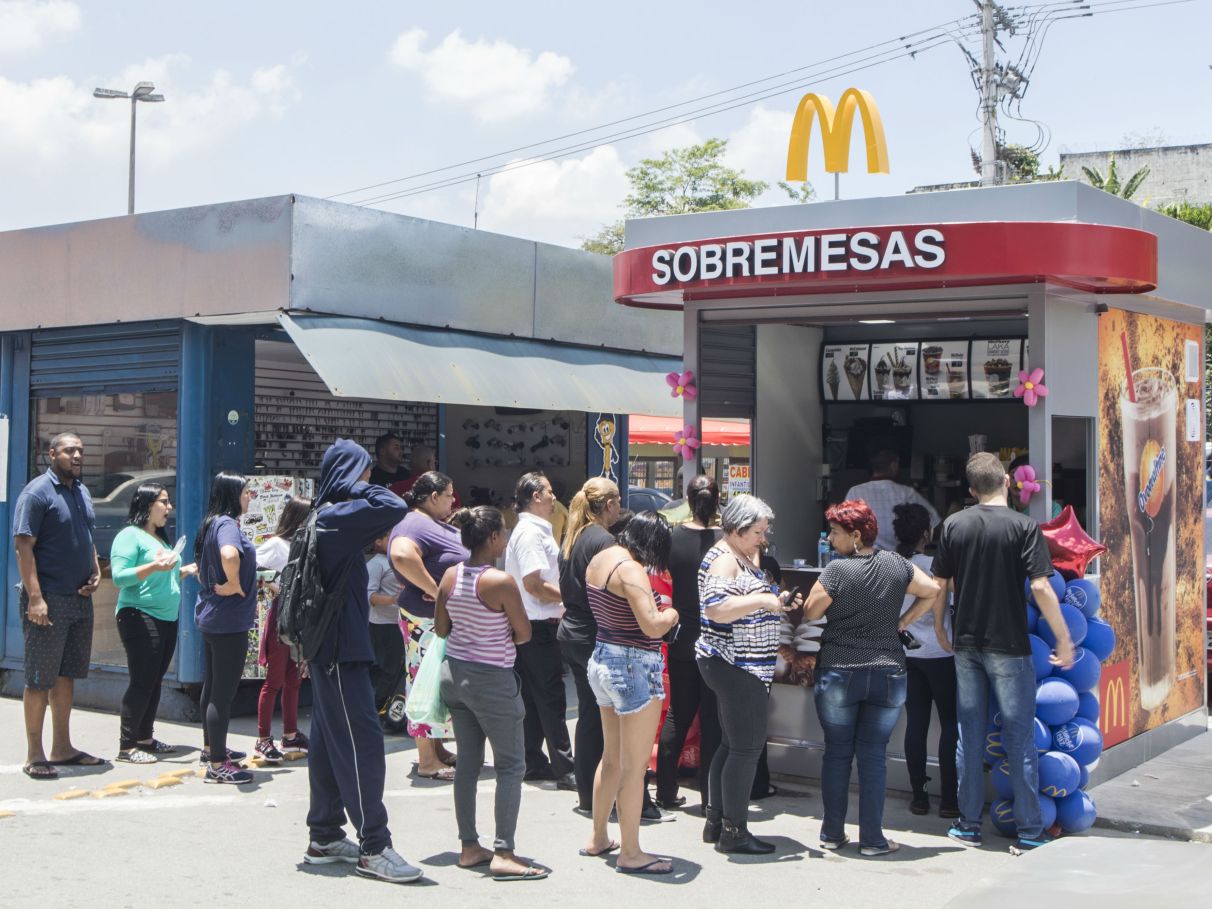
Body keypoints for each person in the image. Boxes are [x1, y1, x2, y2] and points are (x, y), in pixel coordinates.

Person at [931, 453, 1074, 852]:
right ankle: (1030, 831)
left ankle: (968, 824)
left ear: (972, 490)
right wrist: (1063, 638)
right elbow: (1043, 588)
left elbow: (939, 583)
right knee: (1020, 737)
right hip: (1010, 644)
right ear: (1008, 481)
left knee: (969, 735)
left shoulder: (954, 525)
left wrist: (942, 628)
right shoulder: (1025, 527)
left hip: (966, 643)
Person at [302, 438, 421, 883]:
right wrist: (360, 485)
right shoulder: (336, 517)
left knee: (329, 746)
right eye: (366, 471)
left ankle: (325, 834)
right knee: (362, 743)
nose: (372, 480)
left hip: (334, 650)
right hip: (339, 652)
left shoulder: (327, 518)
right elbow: (393, 506)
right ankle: (374, 846)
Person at [803, 500, 941, 856]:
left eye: (835, 533)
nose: (831, 540)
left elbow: (811, 611)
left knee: (836, 753)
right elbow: (933, 590)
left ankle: (833, 834)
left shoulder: (836, 570)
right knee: (873, 755)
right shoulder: (896, 563)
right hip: (887, 671)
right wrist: (903, 622)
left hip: (839, 671)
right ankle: (873, 840)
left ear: (855, 535)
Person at [434, 507, 549, 882]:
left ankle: (469, 846)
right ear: (494, 539)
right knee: (511, 766)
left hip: (455, 675)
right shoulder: (499, 581)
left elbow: (440, 628)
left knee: (468, 763)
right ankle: (503, 850)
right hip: (492, 680)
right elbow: (524, 633)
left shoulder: (451, 575)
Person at [696, 495, 797, 855]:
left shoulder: (734, 555)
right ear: (737, 530)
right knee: (746, 749)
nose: (763, 539)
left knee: (731, 745)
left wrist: (776, 598)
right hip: (738, 665)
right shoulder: (725, 560)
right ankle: (734, 832)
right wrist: (765, 602)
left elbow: (738, 597)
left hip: (734, 663)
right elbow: (717, 609)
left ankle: (716, 821)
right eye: (758, 531)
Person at [581, 511, 680, 874]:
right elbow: (652, 626)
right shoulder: (631, 569)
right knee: (635, 768)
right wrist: (671, 614)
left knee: (611, 759)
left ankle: (598, 838)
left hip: (604, 658)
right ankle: (632, 852)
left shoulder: (601, 558)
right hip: (633, 666)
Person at [13, 432, 105, 780]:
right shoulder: (37, 493)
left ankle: (62, 748)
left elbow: (85, 536)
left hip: (79, 599)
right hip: (48, 600)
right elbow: (24, 547)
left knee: (66, 675)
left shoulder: (80, 491)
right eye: (69, 450)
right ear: (52, 454)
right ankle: (34, 753)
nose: (77, 455)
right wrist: (36, 598)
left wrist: (96, 570)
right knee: (40, 677)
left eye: (81, 450)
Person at [110, 482, 197, 763]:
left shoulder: (161, 539)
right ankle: (127, 747)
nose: (169, 508)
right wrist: (154, 566)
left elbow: (165, 577)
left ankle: (144, 737)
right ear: (147, 505)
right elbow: (119, 576)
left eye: (168, 502)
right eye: (163, 502)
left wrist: (183, 570)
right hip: (138, 614)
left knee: (155, 680)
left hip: (166, 617)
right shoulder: (129, 536)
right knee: (142, 680)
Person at [389, 470, 467, 780]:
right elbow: (401, 554)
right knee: (423, 684)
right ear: (433, 497)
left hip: (432, 619)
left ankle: (437, 749)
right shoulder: (413, 523)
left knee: (434, 683)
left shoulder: (426, 522)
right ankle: (426, 760)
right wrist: (437, 593)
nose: (453, 501)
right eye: (449, 495)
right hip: (424, 619)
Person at [655, 475, 722, 811]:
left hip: (682, 637)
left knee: (678, 716)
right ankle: (711, 798)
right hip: (716, 639)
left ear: (687, 498)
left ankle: (665, 791)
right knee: (712, 719)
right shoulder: (726, 542)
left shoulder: (673, 538)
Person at [505, 471, 575, 789]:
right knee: (549, 696)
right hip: (539, 625)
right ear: (536, 496)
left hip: (535, 625)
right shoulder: (531, 533)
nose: (553, 497)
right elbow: (534, 584)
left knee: (535, 697)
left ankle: (533, 760)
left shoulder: (532, 530)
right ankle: (566, 766)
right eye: (548, 492)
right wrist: (571, 598)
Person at [558, 477, 622, 814]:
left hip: (572, 629)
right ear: (608, 504)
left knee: (589, 714)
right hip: (591, 632)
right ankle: (597, 795)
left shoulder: (575, 534)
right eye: (618, 502)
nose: (621, 508)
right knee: (601, 717)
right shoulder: (602, 540)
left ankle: (588, 793)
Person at [892, 502, 958, 818]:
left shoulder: (892, 564)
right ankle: (948, 799)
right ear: (926, 533)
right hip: (942, 653)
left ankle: (918, 795)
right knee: (950, 724)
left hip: (909, 653)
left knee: (915, 723)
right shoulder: (935, 565)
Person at [194, 472, 256, 785]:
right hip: (228, 621)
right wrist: (233, 584)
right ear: (233, 494)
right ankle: (218, 764)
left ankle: (211, 749)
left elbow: (198, 567)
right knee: (223, 694)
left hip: (211, 617)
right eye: (246, 492)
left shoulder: (211, 522)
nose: (250, 497)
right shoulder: (228, 525)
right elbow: (229, 554)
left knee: (212, 686)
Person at [253, 497, 312, 763]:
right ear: (299, 518)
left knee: (294, 680)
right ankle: (263, 739)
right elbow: (251, 568)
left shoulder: (306, 544)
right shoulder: (277, 545)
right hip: (281, 617)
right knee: (274, 681)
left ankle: (289, 734)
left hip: (299, 619)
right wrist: (272, 586)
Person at [843, 450, 940, 552]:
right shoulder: (906, 493)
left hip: (864, 559)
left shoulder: (855, 492)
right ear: (893, 465)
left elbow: (844, 528)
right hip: (900, 558)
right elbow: (934, 522)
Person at [366, 531, 405, 713]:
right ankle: (376, 707)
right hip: (384, 625)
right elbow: (370, 596)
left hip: (399, 622)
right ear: (378, 541)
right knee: (388, 669)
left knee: (395, 668)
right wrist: (394, 599)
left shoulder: (394, 561)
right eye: (389, 537)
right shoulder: (376, 564)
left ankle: (385, 707)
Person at [389, 444, 462, 508]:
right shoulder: (448, 492)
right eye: (435, 463)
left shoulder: (394, 490)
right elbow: (456, 520)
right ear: (429, 464)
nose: (435, 466)